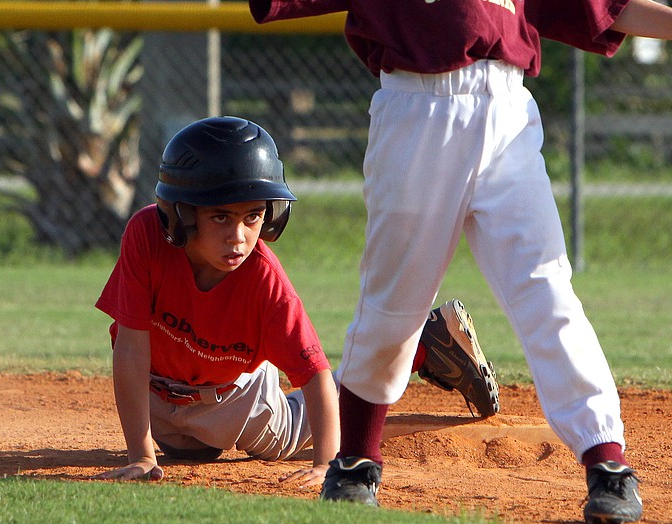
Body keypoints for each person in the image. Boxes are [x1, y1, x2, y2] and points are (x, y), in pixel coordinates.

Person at [176, 0, 672, 524]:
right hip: (416, 112)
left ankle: (607, 461)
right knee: (393, 299)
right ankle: (357, 458)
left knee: (546, 289)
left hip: (507, 117)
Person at [94, 115, 497, 486]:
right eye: (221, 217)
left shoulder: (265, 281)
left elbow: (315, 376)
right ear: (180, 215)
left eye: (252, 216)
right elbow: (130, 348)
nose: (239, 236)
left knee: (288, 432)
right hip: (158, 394)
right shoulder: (147, 236)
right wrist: (142, 454)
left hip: (235, 395)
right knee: (189, 451)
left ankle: (420, 348)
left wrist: (326, 463)